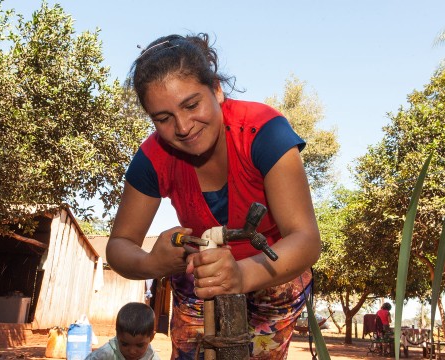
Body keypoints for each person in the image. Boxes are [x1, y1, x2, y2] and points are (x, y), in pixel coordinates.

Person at [106, 33, 321, 359]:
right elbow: (119, 246)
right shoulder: (152, 159)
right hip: (201, 280)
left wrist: (241, 274)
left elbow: (305, 240)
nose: (182, 127)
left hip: (275, 277)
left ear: (217, 90)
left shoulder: (263, 132)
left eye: (191, 105)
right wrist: (152, 263)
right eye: (163, 118)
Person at [85, 302, 160, 360]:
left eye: (140, 345)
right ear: (117, 335)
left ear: (152, 337)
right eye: (125, 344)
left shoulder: (152, 357)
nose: (132, 351)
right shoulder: (104, 355)